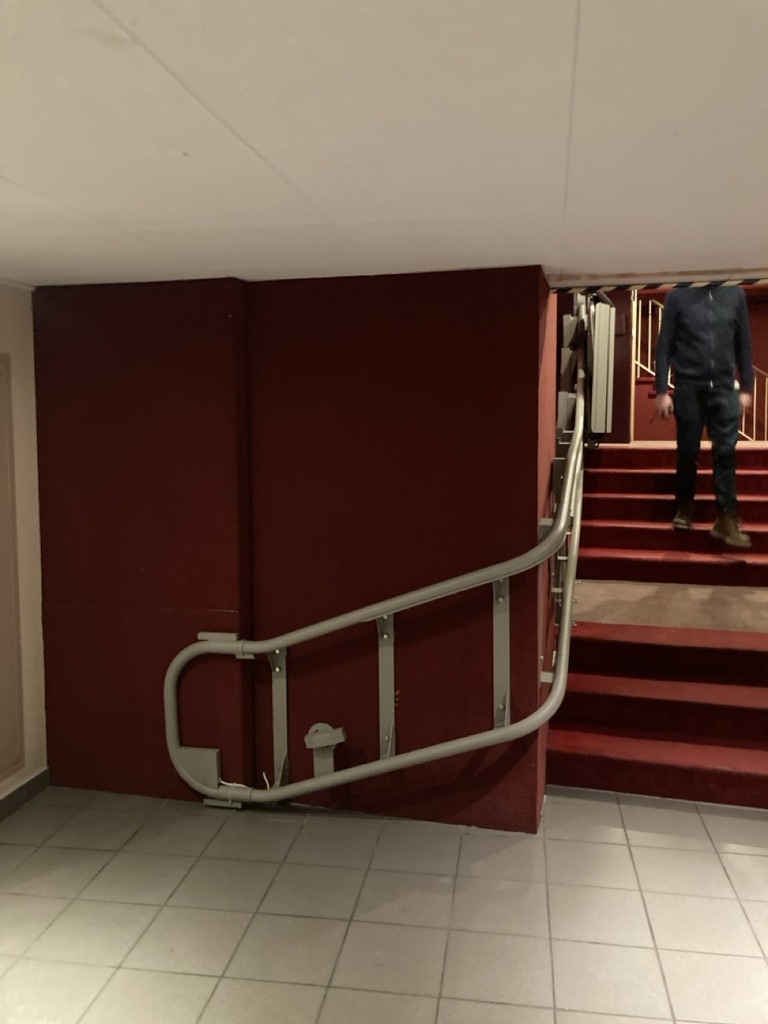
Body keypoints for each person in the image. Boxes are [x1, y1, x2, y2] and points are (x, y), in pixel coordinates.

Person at [654, 284, 753, 548]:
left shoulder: (735, 294)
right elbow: (664, 345)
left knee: (726, 452)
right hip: (688, 387)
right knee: (688, 451)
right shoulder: (677, 295)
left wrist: (747, 387)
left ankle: (726, 518)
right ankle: (685, 506)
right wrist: (662, 390)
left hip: (724, 388)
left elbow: (744, 342)